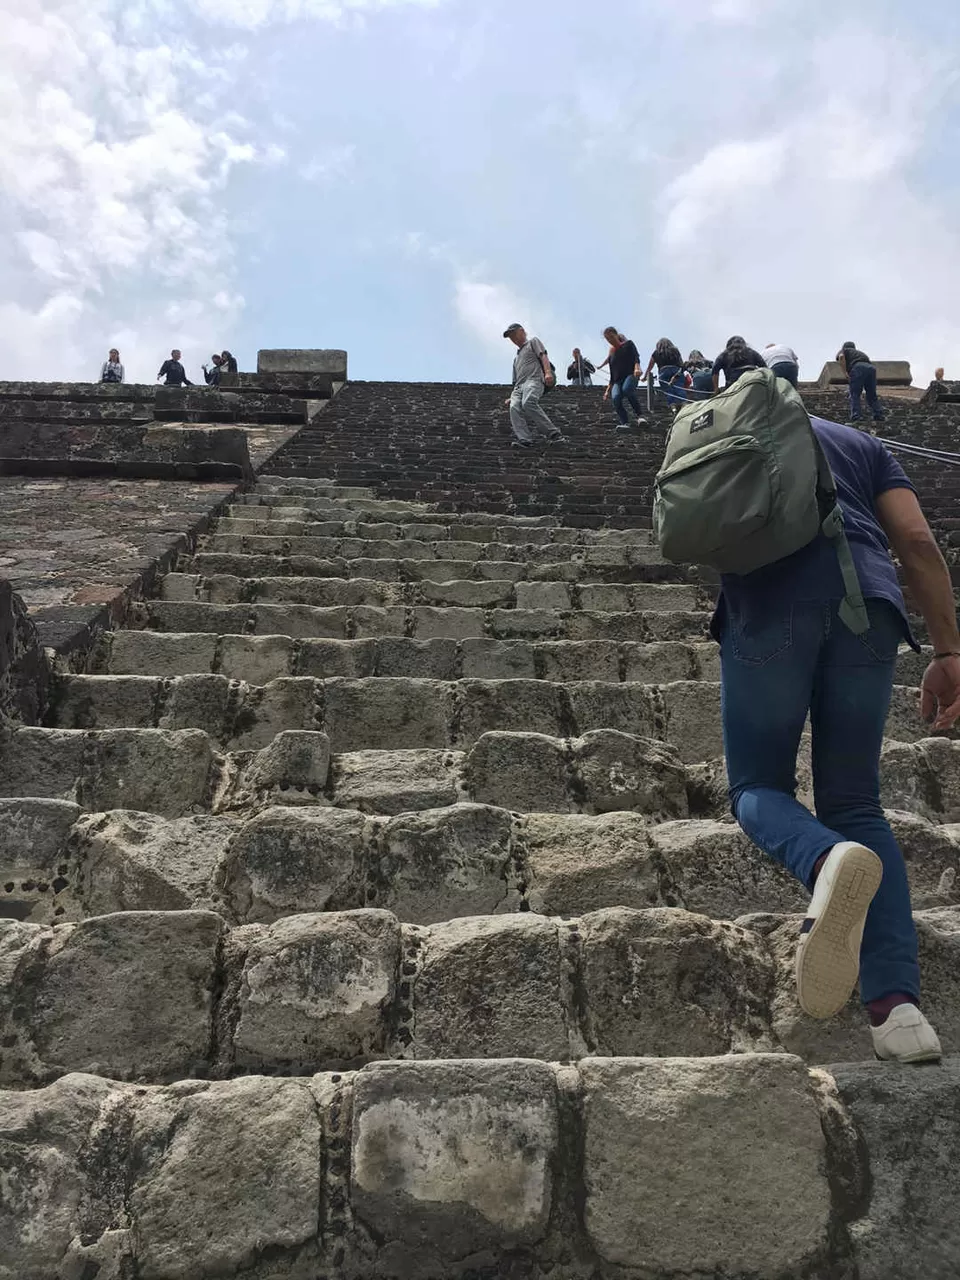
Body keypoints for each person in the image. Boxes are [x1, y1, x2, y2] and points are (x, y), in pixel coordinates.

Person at [714, 414, 960, 1063]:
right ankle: (898, 1012)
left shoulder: (723, 426)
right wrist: (948, 651)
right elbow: (914, 538)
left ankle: (824, 863)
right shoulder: (862, 444)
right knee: (854, 804)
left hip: (767, 607)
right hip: (868, 606)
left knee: (755, 786)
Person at [502, 323, 564, 448]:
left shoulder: (533, 342)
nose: (513, 338)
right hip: (519, 387)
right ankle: (525, 439)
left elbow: (543, 355)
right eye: (510, 337)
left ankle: (553, 433)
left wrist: (547, 372)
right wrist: (511, 396)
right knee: (514, 408)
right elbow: (515, 380)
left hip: (534, 380)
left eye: (514, 334)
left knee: (528, 402)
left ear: (522, 331)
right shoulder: (516, 358)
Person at [602, 327, 646, 429]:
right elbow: (612, 374)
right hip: (617, 381)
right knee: (616, 398)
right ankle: (625, 422)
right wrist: (607, 391)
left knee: (627, 389)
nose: (610, 340)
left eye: (611, 337)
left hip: (631, 375)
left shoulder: (629, 344)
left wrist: (637, 368)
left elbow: (636, 357)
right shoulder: (612, 355)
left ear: (616, 335)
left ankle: (640, 416)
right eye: (608, 339)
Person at [837, 342, 884, 424]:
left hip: (858, 368)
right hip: (871, 368)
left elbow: (841, 357)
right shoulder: (860, 353)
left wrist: (845, 373)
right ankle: (878, 415)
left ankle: (856, 415)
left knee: (855, 393)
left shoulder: (844, 350)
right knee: (872, 394)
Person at [644, 337, 686, 410]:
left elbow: (650, 366)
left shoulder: (656, 352)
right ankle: (683, 403)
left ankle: (673, 405)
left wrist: (645, 377)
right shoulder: (675, 351)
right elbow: (681, 363)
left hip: (664, 371)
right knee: (679, 387)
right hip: (676, 370)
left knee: (668, 390)